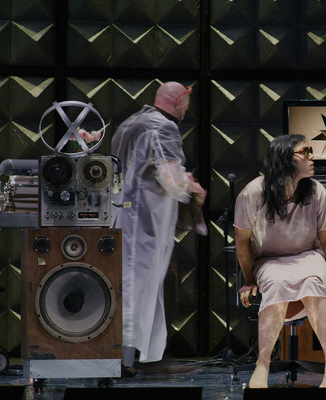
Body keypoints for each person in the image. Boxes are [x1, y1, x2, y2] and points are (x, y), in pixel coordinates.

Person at [234, 134, 326, 388]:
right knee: (275, 282)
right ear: (285, 159)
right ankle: (262, 363)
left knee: (313, 279)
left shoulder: (316, 191)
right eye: (304, 152)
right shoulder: (252, 193)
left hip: (309, 255)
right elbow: (242, 242)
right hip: (269, 260)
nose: (312, 156)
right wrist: (249, 280)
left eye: (311, 150)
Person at [111, 82, 206, 375]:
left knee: (129, 286)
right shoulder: (164, 127)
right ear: (178, 102)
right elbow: (171, 179)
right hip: (144, 221)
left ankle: (140, 358)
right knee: (140, 287)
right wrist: (191, 185)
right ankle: (129, 360)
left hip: (121, 215)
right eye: (186, 104)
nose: (187, 111)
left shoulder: (129, 124)